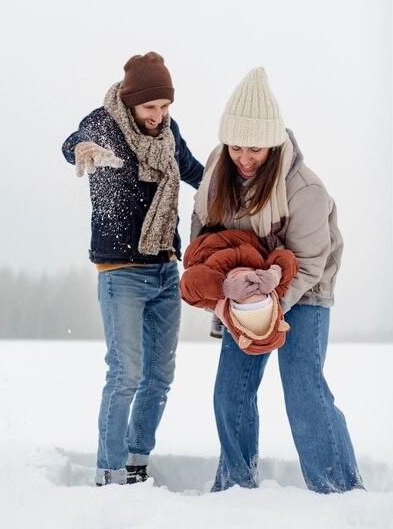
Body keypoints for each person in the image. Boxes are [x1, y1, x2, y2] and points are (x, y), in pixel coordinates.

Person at [191, 67, 364, 494]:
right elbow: (202, 232)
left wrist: (268, 308)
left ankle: (338, 489)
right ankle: (235, 487)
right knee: (230, 392)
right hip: (244, 291)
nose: (244, 158)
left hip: (305, 288)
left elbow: (307, 264)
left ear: (273, 143)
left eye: (255, 149)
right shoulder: (218, 170)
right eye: (235, 147)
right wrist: (222, 297)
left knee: (303, 389)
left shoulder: (305, 189)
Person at [62, 52, 203, 486]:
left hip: (164, 267)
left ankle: (137, 462)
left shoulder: (168, 133)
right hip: (120, 271)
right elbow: (74, 143)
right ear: (130, 101)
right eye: (150, 108)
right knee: (126, 374)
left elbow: (196, 172)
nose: (159, 116)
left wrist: (240, 174)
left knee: (160, 375)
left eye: (165, 107)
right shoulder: (104, 123)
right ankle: (109, 470)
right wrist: (80, 149)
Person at [180, 227, 299, 354]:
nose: (250, 283)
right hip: (247, 236)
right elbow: (288, 258)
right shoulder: (268, 280)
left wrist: (224, 287)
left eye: (245, 295)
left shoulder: (216, 300)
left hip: (207, 243)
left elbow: (187, 285)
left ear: (230, 307)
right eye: (259, 291)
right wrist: (276, 273)